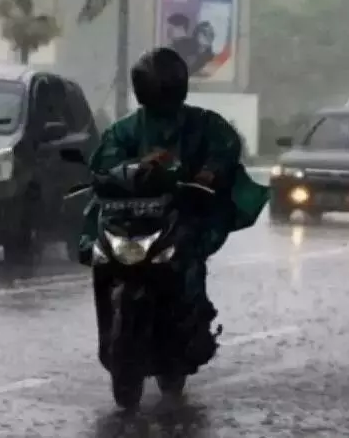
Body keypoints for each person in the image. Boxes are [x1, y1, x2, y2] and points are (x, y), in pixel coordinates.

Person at [79, 47, 268, 366]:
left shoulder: (204, 124)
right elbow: (104, 164)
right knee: (97, 242)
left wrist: (208, 173)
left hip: (181, 212)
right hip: (129, 217)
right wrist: (137, 168)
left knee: (189, 256)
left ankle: (191, 323)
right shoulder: (125, 129)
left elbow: (225, 148)